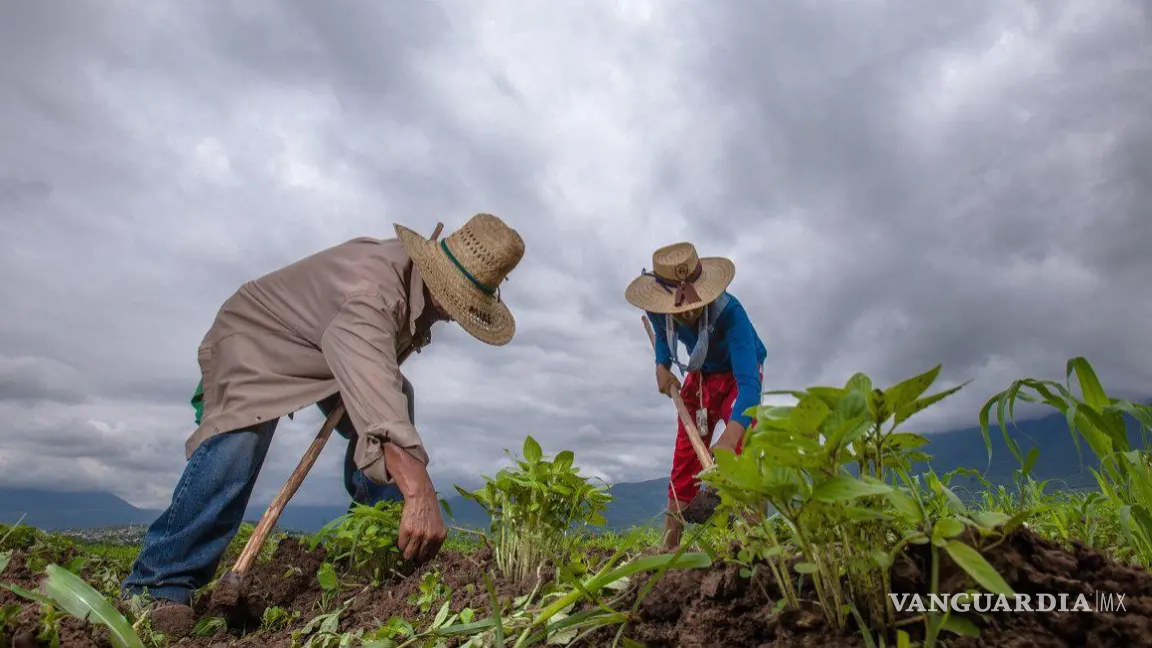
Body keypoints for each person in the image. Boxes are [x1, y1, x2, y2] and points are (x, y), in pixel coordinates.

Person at [121, 214, 525, 632]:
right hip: (254, 339)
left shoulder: (409, 288)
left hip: (322, 347)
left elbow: (381, 391)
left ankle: (378, 556)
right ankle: (158, 584)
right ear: (441, 284)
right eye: (458, 303)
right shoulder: (374, 294)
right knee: (240, 439)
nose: (456, 316)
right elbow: (379, 404)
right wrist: (419, 490)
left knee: (397, 400)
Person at [624, 242, 767, 549]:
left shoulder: (731, 314)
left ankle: (758, 544)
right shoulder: (658, 309)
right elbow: (663, 337)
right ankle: (669, 546)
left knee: (745, 445)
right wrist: (662, 365)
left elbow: (749, 385)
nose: (687, 312)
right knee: (685, 454)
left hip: (738, 375)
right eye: (679, 309)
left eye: (693, 304)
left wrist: (730, 437)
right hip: (702, 374)